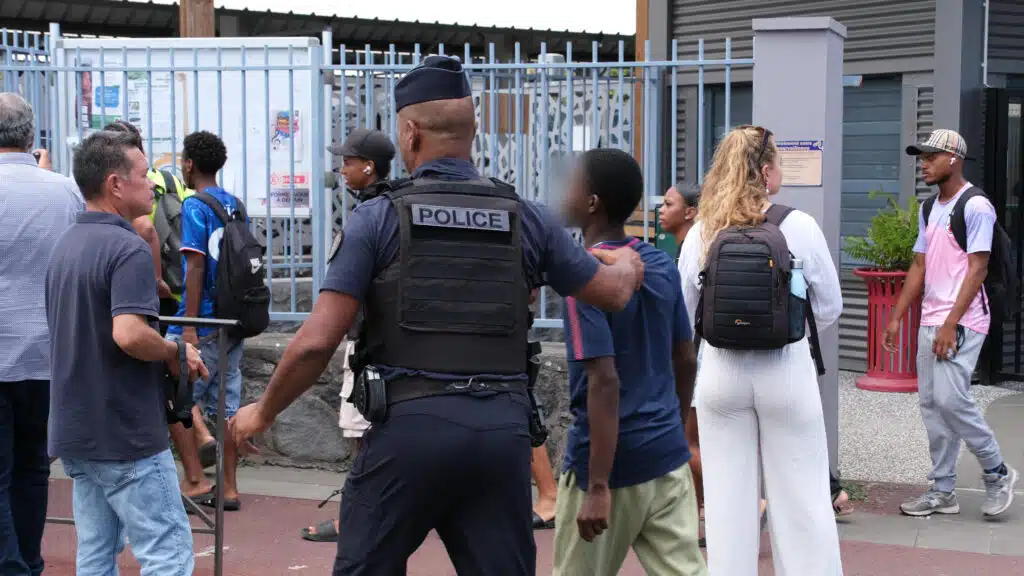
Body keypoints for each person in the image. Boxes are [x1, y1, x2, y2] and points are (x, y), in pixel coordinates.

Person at [229, 55, 645, 576]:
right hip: (499, 434)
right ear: (471, 132)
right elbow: (612, 292)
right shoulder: (525, 217)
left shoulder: (377, 218)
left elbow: (316, 342)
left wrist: (262, 412)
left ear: (409, 133)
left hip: (408, 433)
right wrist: (628, 261)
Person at [678, 125, 843, 576]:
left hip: (719, 375)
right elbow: (829, 306)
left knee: (728, 504)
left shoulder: (703, 231)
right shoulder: (798, 225)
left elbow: (684, 311)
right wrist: (785, 332)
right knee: (803, 501)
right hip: (786, 371)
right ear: (767, 171)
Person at [45, 130, 206, 575]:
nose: (154, 184)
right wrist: (175, 350)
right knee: (167, 552)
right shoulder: (127, 248)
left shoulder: (64, 246)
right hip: (124, 431)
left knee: (96, 552)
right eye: (143, 175)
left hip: (77, 428)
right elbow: (130, 334)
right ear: (116, 184)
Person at [553, 148, 706, 576]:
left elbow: (604, 380)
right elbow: (685, 357)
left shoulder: (584, 276)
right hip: (666, 458)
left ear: (591, 202)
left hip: (606, 467)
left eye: (571, 183)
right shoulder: (660, 263)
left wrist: (597, 486)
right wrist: (672, 428)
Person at [887, 129, 1018, 517]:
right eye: (921, 157)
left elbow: (977, 269)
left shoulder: (976, 206)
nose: (923, 164)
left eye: (930, 157)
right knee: (932, 405)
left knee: (951, 399)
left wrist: (950, 323)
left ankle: (996, 471)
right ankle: (943, 490)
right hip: (931, 318)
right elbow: (919, 266)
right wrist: (896, 317)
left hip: (962, 320)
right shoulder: (930, 208)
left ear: (953, 159)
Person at [0, 92, 83, 576]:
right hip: (48, 354)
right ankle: (28, 562)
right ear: (31, 136)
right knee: (34, 468)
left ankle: (12, 566)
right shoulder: (65, 191)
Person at [302, 127, 397, 543]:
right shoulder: (397, 207)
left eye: (348, 161)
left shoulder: (369, 216)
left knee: (361, 434)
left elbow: (346, 293)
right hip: (393, 342)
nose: (342, 169)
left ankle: (353, 520)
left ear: (369, 167)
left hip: (368, 347)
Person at [165, 130, 248, 511]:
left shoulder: (195, 206)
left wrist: (189, 325)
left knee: (174, 395)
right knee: (227, 406)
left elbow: (195, 265)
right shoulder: (235, 204)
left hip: (204, 319)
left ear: (188, 164)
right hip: (234, 321)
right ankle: (229, 489)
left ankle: (196, 480)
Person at [102, 120, 195, 325]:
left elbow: (144, 228)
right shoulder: (168, 179)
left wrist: (156, 279)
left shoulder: (122, 183)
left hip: (145, 284)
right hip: (176, 282)